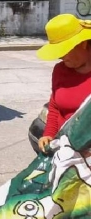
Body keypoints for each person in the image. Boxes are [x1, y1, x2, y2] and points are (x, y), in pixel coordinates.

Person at [36, 13, 91, 153]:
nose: (60, 56)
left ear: (83, 43)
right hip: (65, 149)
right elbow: (54, 107)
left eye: (64, 50)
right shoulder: (60, 71)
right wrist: (48, 134)